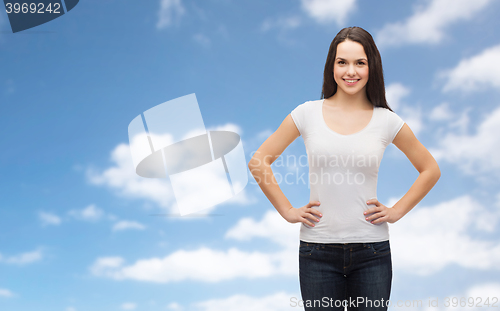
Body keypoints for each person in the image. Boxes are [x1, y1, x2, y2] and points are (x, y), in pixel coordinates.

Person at [248, 26, 441, 310]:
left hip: (372, 252)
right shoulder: (307, 114)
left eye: (359, 63)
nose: (351, 71)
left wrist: (396, 211)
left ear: (371, 66)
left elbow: (430, 169)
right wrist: (288, 211)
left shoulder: (386, 120)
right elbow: (258, 161)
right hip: (317, 252)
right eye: (343, 62)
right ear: (332, 66)